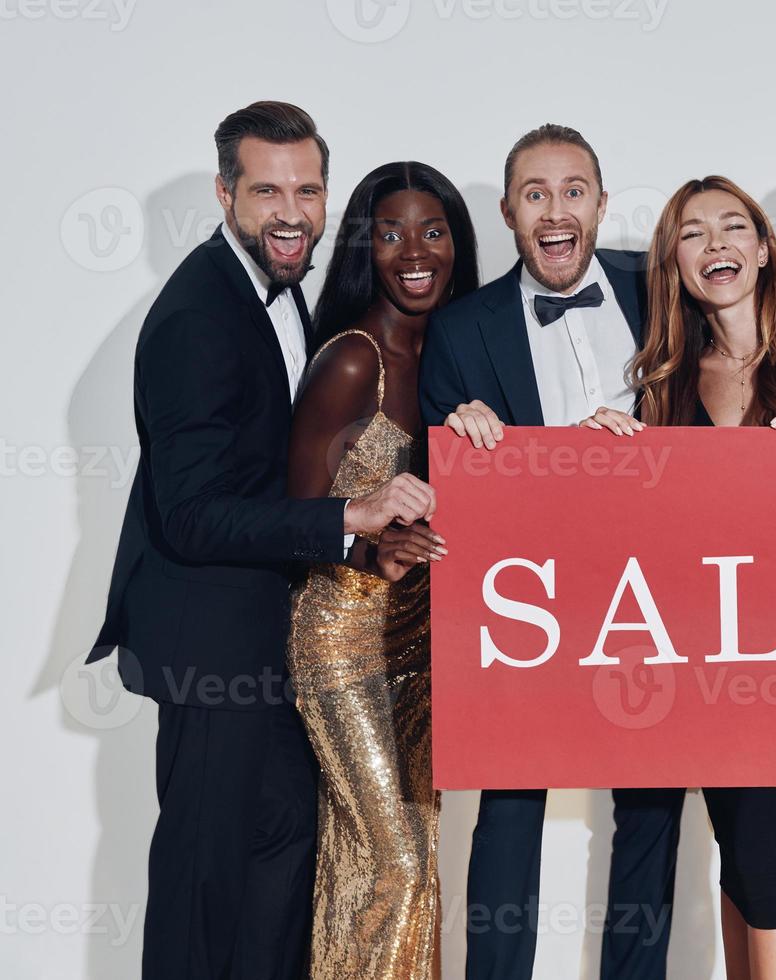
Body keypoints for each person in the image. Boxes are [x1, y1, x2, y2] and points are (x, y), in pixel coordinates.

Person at [87, 102, 437, 980]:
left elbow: (285, 478)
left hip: (277, 645)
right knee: (206, 891)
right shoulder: (198, 315)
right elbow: (195, 513)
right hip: (212, 652)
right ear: (225, 193)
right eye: (267, 190)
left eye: (308, 189)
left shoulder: (284, 299)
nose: (291, 211)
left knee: (279, 876)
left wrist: (357, 550)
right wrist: (348, 520)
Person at [583, 174, 776, 980]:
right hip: (706, 662)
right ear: (674, 262)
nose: (715, 245)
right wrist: (600, 453)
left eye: (733, 228)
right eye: (693, 234)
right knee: (738, 861)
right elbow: (650, 539)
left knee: (762, 864)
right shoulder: (664, 380)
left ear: (763, 249)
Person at [418, 124, 683, 980]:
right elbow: (432, 473)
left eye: (574, 191)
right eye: (536, 193)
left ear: (602, 205)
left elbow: (741, 369)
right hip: (526, 608)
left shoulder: (662, 286)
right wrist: (457, 435)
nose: (556, 209)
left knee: (651, 803)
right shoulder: (461, 332)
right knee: (510, 804)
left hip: (655, 591)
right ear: (508, 212)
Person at [286, 161, 479, 978]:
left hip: (419, 639)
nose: (414, 252)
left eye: (432, 232)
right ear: (367, 248)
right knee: (393, 860)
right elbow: (291, 524)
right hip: (340, 641)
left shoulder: (451, 356)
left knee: (403, 862)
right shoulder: (352, 361)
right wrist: (368, 548)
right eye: (390, 233)